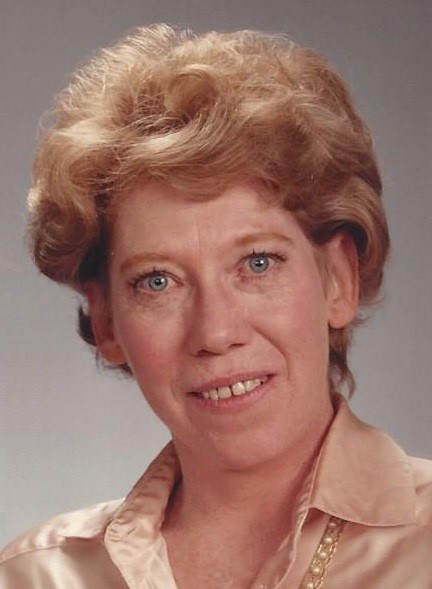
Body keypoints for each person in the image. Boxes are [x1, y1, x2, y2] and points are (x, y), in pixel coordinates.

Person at [1, 23, 431, 589]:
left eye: (258, 263)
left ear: (339, 280)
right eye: (158, 281)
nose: (215, 332)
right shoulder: (33, 577)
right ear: (105, 321)